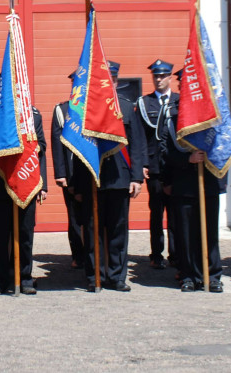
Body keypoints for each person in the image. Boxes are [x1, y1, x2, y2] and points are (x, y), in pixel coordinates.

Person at [71, 62, 147, 292]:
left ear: (116, 81)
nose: (109, 82)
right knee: (93, 230)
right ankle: (95, 275)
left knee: (117, 231)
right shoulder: (84, 111)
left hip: (120, 179)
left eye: (112, 79)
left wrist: (137, 178)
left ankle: (116, 276)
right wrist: (76, 183)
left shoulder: (126, 107)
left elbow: (137, 145)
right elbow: (76, 148)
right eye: (105, 79)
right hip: (93, 179)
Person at [0, 91, 48, 296]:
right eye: (0, 89)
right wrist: (1, 151)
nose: (2, 92)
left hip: (26, 181)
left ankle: (24, 278)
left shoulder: (32, 115)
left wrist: (43, 184)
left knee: (25, 234)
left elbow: (41, 147)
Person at [161, 67, 224, 293]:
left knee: (209, 232)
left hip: (208, 183)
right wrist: (187, 159)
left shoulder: (212, 115)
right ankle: (188, 275)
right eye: (183, 83)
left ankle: (212, 274)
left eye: (191, 82)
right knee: (186, 234)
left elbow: (222, 145)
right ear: (180, 87)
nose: (187, 86)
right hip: (184, 185)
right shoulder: (174, 116)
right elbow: (165, 151)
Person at [135, 60, 179, 270]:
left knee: (175, 212)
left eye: (163, 76)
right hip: (154, 166)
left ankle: (176, 254)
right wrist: (143, 163)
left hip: (176, 166)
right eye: (156, 76)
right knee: (156, 211)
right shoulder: (145, 103)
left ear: (170, 77)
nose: (159, 79)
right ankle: (156, 254)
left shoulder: (180, 101)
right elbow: (141, 137)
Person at [50, 72, 83, 270]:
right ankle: (78, 255)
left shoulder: (94, 107)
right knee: (74, 217)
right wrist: (60, 173)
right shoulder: (62, 110)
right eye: (74, 84)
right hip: (71, 173)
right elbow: (56, 143)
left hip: (93, 172)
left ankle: (95, 254)